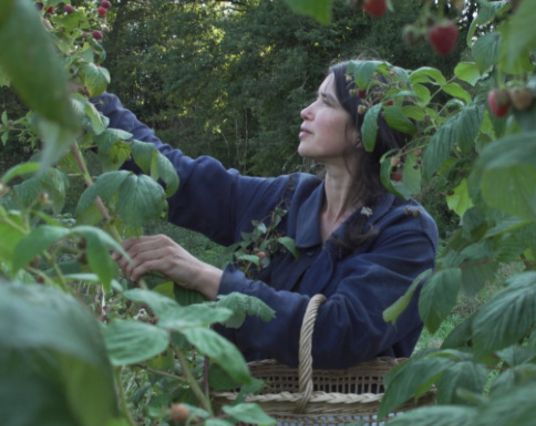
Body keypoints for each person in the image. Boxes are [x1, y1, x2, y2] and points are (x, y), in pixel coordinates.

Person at [94, 60, 438, 369]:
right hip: (250, 419)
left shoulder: (406, 229)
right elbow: (183, 179)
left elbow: (338, 333)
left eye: (326, 102)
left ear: (366, 129)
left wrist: (205, 276)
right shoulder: (287, 197)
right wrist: (95, 107)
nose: (306, 110)